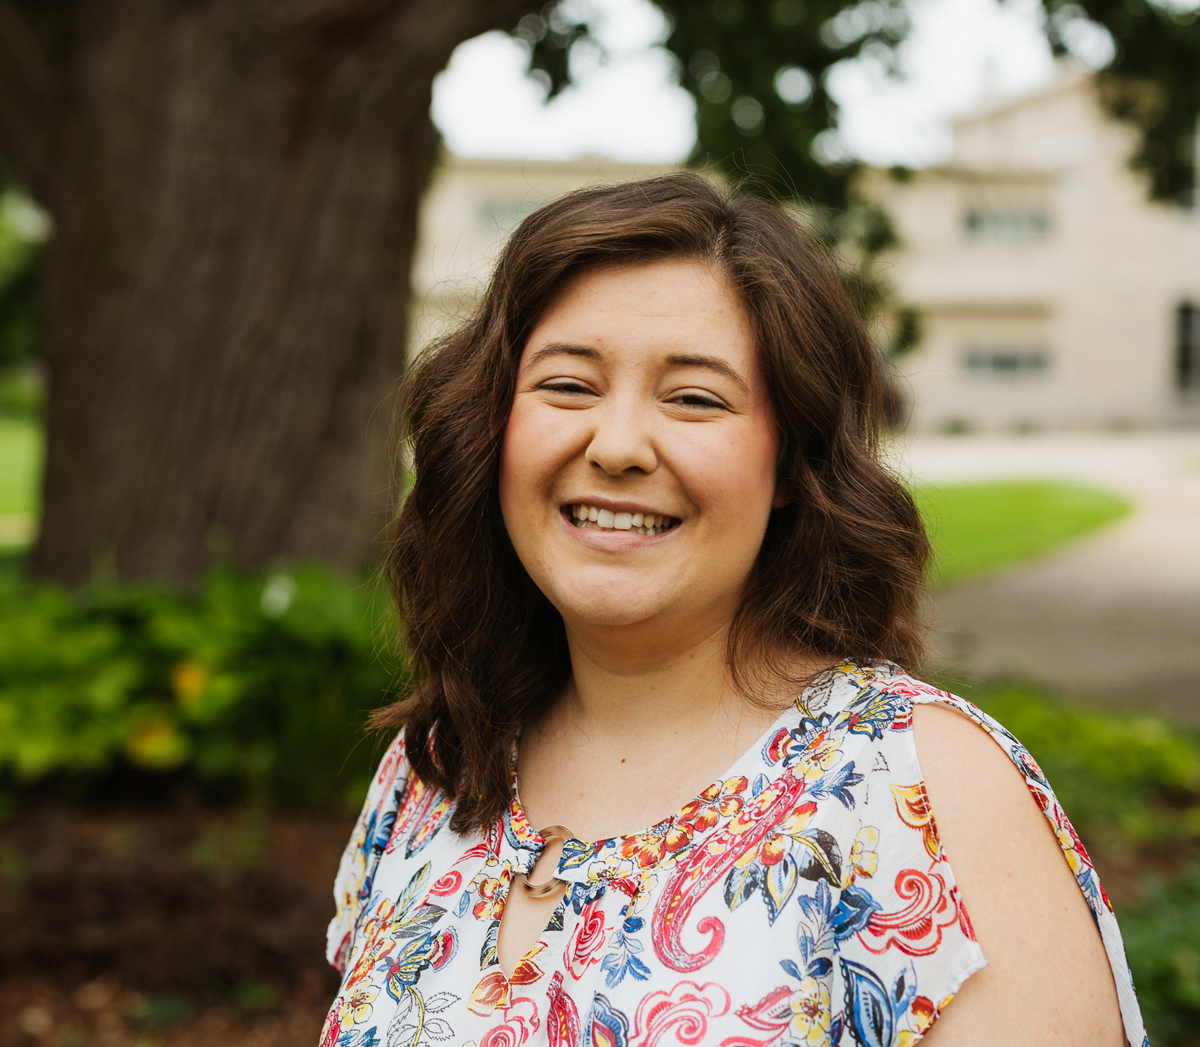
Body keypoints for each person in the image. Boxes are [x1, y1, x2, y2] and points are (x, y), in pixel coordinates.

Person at [321, 174, 1145, 1047]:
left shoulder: (918, 792)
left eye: (694, 398)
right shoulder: (433, 771)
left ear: (792, 463)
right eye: (568, 386)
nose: (618, 445)